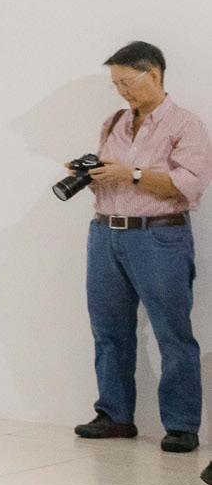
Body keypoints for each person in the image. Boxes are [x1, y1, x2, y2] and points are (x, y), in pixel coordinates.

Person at [71, 41, 209, 453]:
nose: (122, 91)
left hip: (159, 236)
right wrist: (92, 175)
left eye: (127, 82)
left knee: (173, 332)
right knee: (108, 330)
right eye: (115, 84)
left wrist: (130, 174)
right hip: (105, 234)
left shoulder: (186, 125)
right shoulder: (114, 121)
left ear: (154, 74)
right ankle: (114, 415)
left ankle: (181, 425)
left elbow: (189, 184)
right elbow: (113, 180)